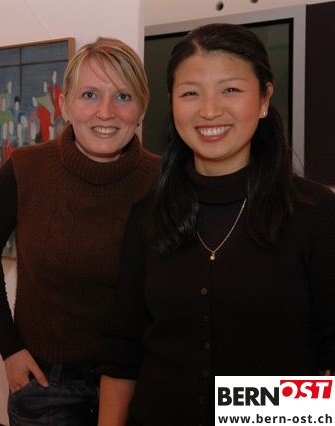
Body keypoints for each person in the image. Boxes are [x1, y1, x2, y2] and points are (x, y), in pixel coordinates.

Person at [97, 23, 335, 426]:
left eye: (231, 90)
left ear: (264, 99)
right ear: (172, 103)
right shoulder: (148, 216)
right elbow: (123, 351)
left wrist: (243, 411)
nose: (209, 110)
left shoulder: (314, 212)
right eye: (191, 93)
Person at [0, 37, 161, 425]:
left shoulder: (166, 180)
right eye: (90, 95)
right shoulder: (25, 170)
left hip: (142, 384)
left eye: (123, 96)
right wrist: (10, 348)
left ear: (142, 108)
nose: (105, 112)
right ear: (64, 105)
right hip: (47, 388)